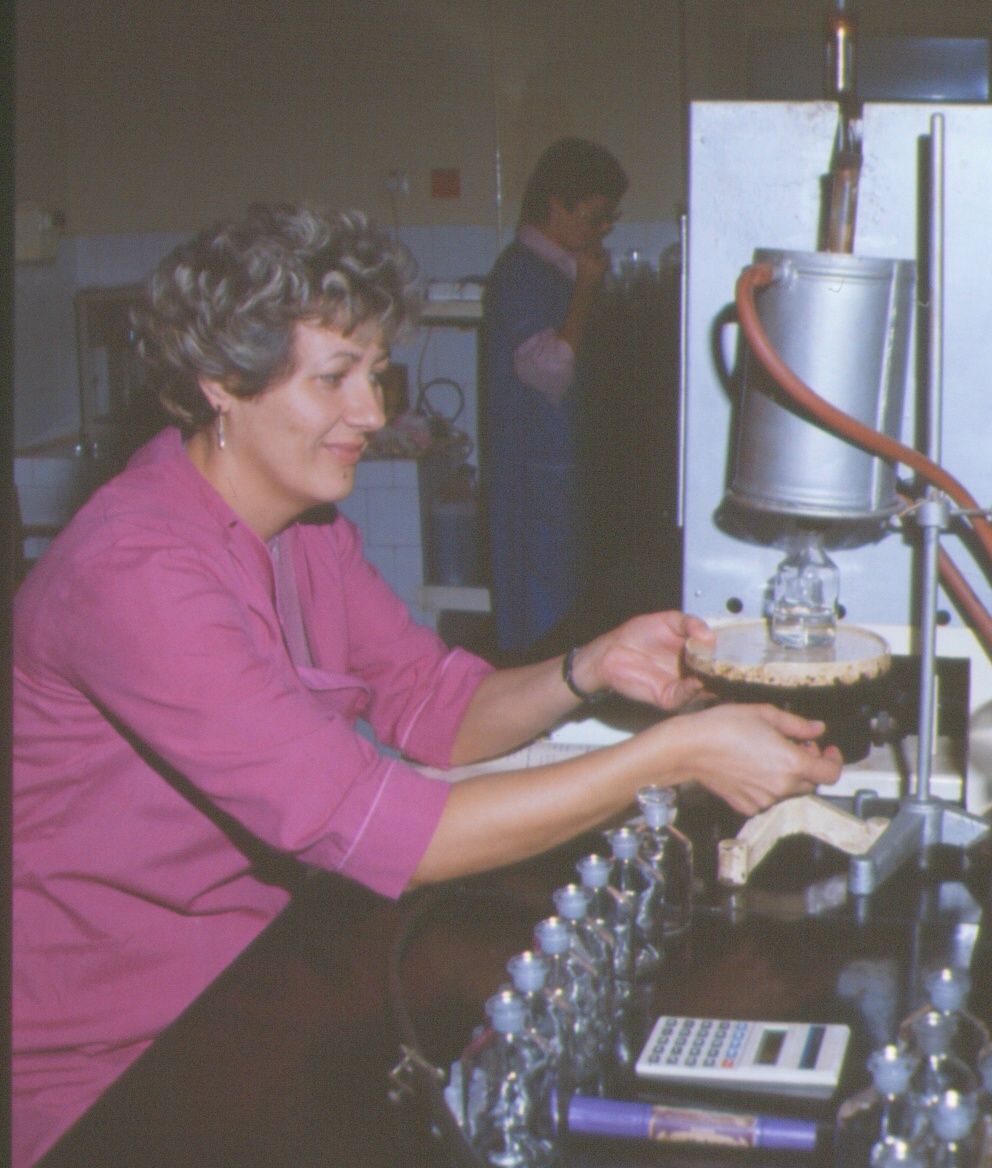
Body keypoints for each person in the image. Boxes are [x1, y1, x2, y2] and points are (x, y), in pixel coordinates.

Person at [12, 204, 842, 1167]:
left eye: (375, 374)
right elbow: (388, 834)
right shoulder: (137, 571)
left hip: (261, 982)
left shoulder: (304, 532)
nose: (373, 412)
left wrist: (589, 668)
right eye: (335, 378)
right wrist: (673, 755)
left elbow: (433, 706)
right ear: (222, 384)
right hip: (114, 1065)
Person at [484, 137, 626, 656]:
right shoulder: (521, 273)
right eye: (596, 215)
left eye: (611, 217)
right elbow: (548, 370)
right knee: (540, 610)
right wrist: (586, 290)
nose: (604, 227)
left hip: (557, 466)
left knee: (565, 603)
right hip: (533, 469)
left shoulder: (557, 268)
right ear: (557, 206)